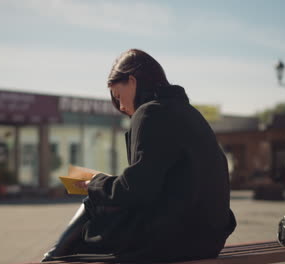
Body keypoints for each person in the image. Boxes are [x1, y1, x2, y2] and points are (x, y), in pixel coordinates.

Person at [42, 49, 236, 262]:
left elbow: (137, 190)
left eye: (118, 96)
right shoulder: (189, 112)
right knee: (100, 199)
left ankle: (52, 258)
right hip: (209, 239)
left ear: (132, 81)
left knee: (93, 201)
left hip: (175, 242)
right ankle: (57, 256)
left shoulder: (150, 112)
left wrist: (94, 184)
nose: (122, 107)